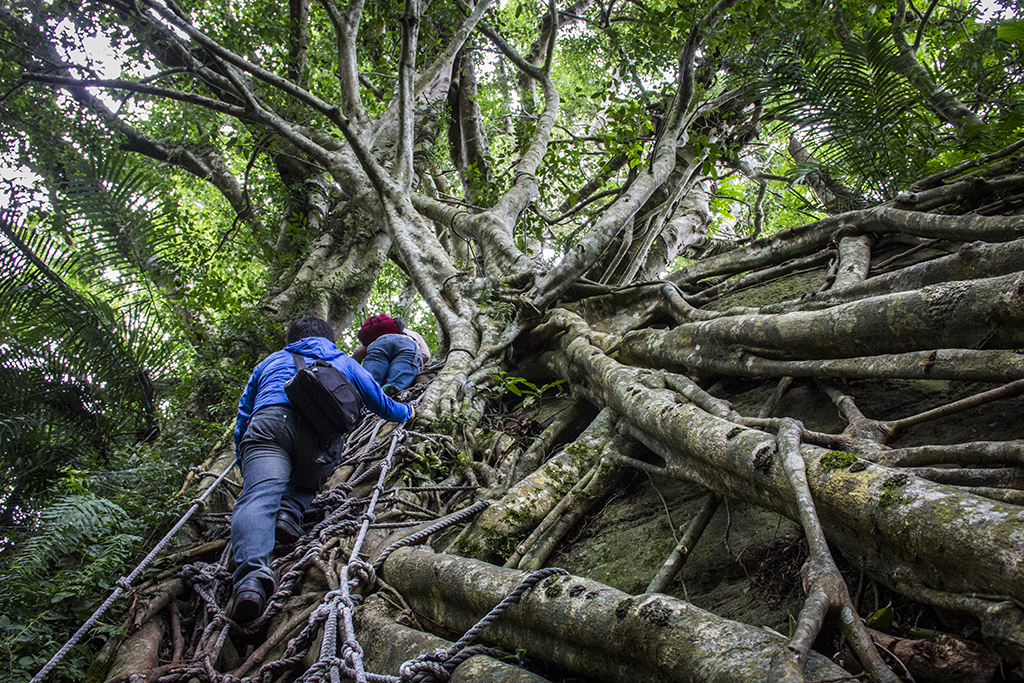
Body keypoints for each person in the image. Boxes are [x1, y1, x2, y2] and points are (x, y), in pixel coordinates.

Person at [230, 317, 414, 624]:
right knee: (317, 465)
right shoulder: (341, 360)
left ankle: (250, 580)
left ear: (291, 338)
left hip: (269, 423)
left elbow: (243, 415)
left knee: (258, 496)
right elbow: (381, 404)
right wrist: (408, 410)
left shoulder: (271, 361)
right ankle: (290, 510)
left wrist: (242, 455)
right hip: (318, 441)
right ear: (330, 338)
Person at [352, 314, 431, 395]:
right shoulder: (411, 333)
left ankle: (368, 391)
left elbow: (357, 353)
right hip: (407, 343)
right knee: (397, 382)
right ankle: (393, 388)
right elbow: (425, 355)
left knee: (369, 382)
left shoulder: (374, 336)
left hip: (378, 344)